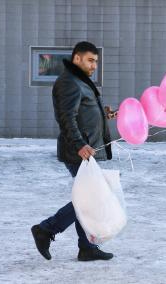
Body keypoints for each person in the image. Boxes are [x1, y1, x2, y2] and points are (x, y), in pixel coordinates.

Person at [31, 41, 117, 261]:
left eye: (96, 61)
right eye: (90, 60)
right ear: (76, 58)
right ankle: (46, 229)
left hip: (87, 149)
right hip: (78, 150)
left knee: (88, 197)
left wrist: (102, 113)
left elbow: (81, 111)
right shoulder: (69, 81)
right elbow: (66, 118)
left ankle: (86, 247)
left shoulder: (80, 80)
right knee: (88, 199)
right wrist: (79, 144)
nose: (94, 65)